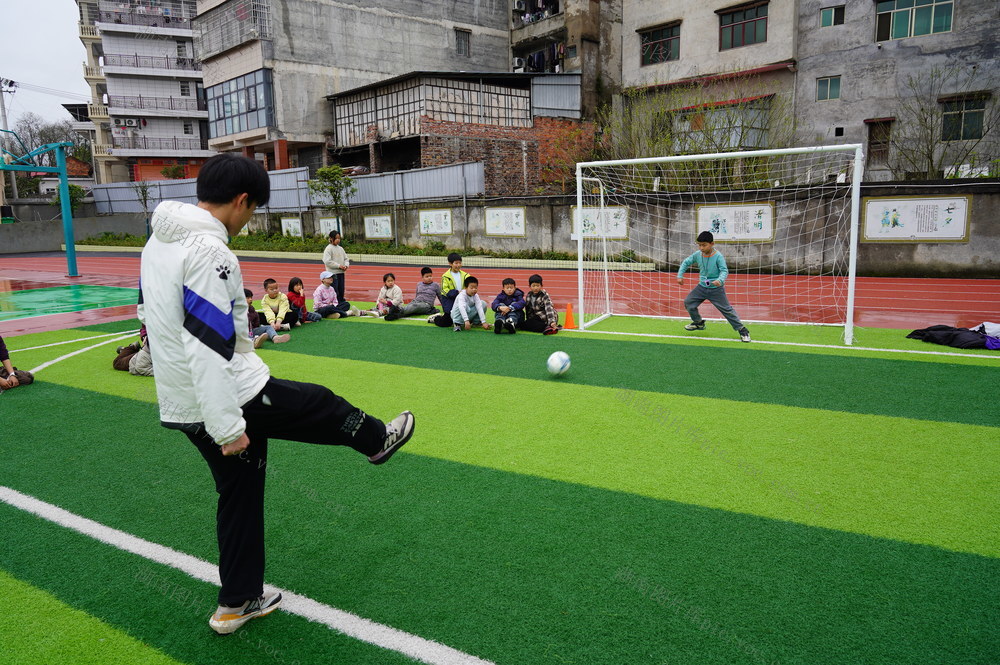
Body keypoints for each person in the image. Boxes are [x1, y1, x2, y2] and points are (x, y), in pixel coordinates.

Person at [138, 152, 415, 636]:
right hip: (226, 397)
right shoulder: (209, 251)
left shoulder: (156, 243)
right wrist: (227, 426)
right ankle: (376, 439)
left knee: (239, 496)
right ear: (242, 201)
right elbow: (207, 344)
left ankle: (237, 601)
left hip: (183, 400)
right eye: (252, 212)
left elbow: (153, 319)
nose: (248, 223)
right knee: (320, 403)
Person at [677, 230, 751, 343]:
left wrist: (720, 280)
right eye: (699, 245)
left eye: (704, 245)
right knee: (688, 302)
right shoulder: (697, 255)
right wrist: (680, 275)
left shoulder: (718, 256)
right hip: (701, 288)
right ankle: (698, 323)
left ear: (712, 244)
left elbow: (724, 270)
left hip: (716, 289)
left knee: (727, 310)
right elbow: (686, 262)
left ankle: (743, 330)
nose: (701, 248)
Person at [431, 253, 470, 327]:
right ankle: (436, 318)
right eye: (456, 263)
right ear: (450, 263)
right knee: (447, 322)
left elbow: (469, 286)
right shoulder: (445, 276)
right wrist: (457, 292)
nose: (458, 265)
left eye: (460, 263)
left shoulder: (466, 275)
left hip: (462, 299)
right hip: (449, 300)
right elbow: (444, 291)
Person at [321, 230, 349, 304]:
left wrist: (346, 265)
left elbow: (346, 258)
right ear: (331, 238)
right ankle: (336, 304)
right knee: (335, 290)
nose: (338, 240)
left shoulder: (341, 249)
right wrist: (338, 266)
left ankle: (341, 303)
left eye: (339, 238)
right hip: (332, 274)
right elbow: (327, 261)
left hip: (341, 273)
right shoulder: (328, 249)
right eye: (336, 238)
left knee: (341, 289)